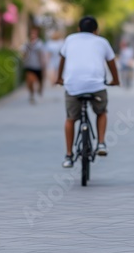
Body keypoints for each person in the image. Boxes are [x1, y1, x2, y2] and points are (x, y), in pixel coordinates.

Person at [57, 16, 120, 168]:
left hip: (73, 86)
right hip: (96, 86)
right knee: (101, 112)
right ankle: (101, 144)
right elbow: (111, 62)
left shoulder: (70, 39)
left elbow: (62, 59)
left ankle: (68, 155)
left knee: (71, 119)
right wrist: (115, 81)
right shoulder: (102, 41)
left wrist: (59, 78)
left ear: (78, 29)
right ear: (96, 31)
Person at [21, 27, 48, 103]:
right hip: (29, 65)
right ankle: (32, 94)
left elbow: (42, 55)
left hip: (38, 66)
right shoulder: (26, 43)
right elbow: (23, 53)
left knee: (39, 81)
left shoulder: (39, 43)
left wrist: (43, 66)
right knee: (30, 81)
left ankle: (39, 90)